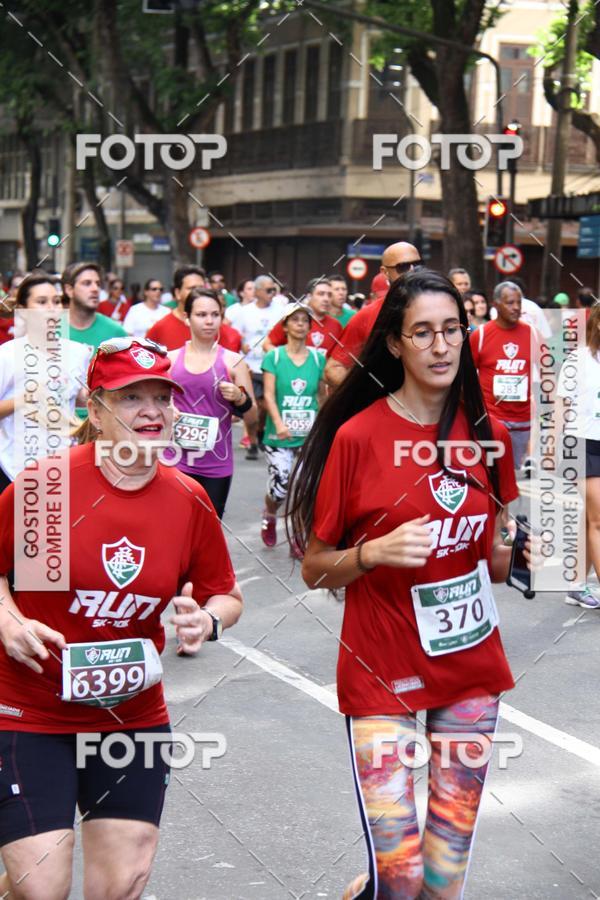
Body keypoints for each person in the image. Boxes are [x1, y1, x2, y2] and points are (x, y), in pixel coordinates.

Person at [287, 269, 538, 900]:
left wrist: (532, 555)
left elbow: (493, 561)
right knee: (399, 878)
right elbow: (316, 567)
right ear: (395, 344)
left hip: (470, 667)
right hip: (382, 669)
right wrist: (372, 553)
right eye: (422, 332)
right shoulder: (358, 437)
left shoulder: (488, 436)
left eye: (452, 329)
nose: (441, 345)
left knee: (443, 878)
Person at [0, 336, 243, 899]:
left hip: (130, 714)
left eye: (163, 397)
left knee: (121, 883)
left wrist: (208, 621)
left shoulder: (187, 499)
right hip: (31, 710)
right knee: (41, 887)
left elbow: (225, 594)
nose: (152, 411)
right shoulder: (47, 489)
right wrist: (9, 621)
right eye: (131, 397)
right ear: (95, 409)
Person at [167, 288, 256, 520]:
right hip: (174, 460)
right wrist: (166, 408)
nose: (209, 321)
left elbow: (253, 417)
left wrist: (240, 399)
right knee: (175, 526)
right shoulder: (170, 360)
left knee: (209, 529)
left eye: (215, 315)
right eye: (201, 315)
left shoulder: (233, 361)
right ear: (187, 318)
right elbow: (154, 405)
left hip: (216, 464)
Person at [0, 271, 90, 492]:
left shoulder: (78, 353)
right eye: (41, 302)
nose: (52, 308)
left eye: (56, 301)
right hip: (13, 472)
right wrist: (25, 398)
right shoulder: (7, 355)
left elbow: (79, 398)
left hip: (62, 469)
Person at [261, 305, 326, 555]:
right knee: (281, 484)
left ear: (310, 327)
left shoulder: (318, 359)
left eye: (304, 320)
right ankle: (270, 513)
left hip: (308, 436)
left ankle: (297, 535)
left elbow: (321, 395)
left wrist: (324, 425)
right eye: (294, 320)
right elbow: (268, 395)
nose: (300, 324)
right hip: (278, 436)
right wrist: (278, 423)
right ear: (285, 326)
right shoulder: (274, 357)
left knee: (304, 486)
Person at [325, 242, 422, 388]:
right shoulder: (367, 315)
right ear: (385, 272)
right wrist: (369, 395)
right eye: (403, 267)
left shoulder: (441, 307)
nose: (412, 271)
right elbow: (333, 369)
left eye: (418, 265)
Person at [557, 304, 600, 609]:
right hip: (582, 443)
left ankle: (576, 584)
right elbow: (561, 403)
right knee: (598, 519)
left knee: (590, 518)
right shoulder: (577, 359)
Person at [470, 280, 538, 471]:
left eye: (519, 302)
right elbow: (466, 376)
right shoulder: (481, 335)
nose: (516, 307)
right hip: (492, 415)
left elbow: (547, 371)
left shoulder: (532, 334)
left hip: (521, 418)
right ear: (496, 304)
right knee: (492, 470)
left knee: (512, 471)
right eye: (510, 303)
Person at [234, 275, 286, 460]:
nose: (272, 293)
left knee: (265, 405)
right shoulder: (245, 312)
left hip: (271, 366)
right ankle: (253, 442)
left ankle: (261, 432)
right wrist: (242, 347)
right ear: (257, 292)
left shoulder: (280, 311)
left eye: (274, 290)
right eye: (268, 290)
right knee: (253, 405)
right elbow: (235, 335)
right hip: (251, 365)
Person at [147, 265, 241, 353]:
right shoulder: (159, 329)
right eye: (192, 288)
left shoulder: (219, 331)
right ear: (178, 293)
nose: (198, 292)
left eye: (201, 288)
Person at [264, 278, 342, 356]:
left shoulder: (336, 325)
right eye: (321, 294)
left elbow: (340, 354)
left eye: (329, 295)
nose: (326, 299)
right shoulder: (293, 320)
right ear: (309, 296)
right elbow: (267, 344)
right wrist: (285, 361)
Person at [63, 262, 127, 351]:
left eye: (98, 284)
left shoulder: (115, 333)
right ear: (69, 290)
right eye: (87, 283)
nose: (95, 289)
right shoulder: (51, 330)